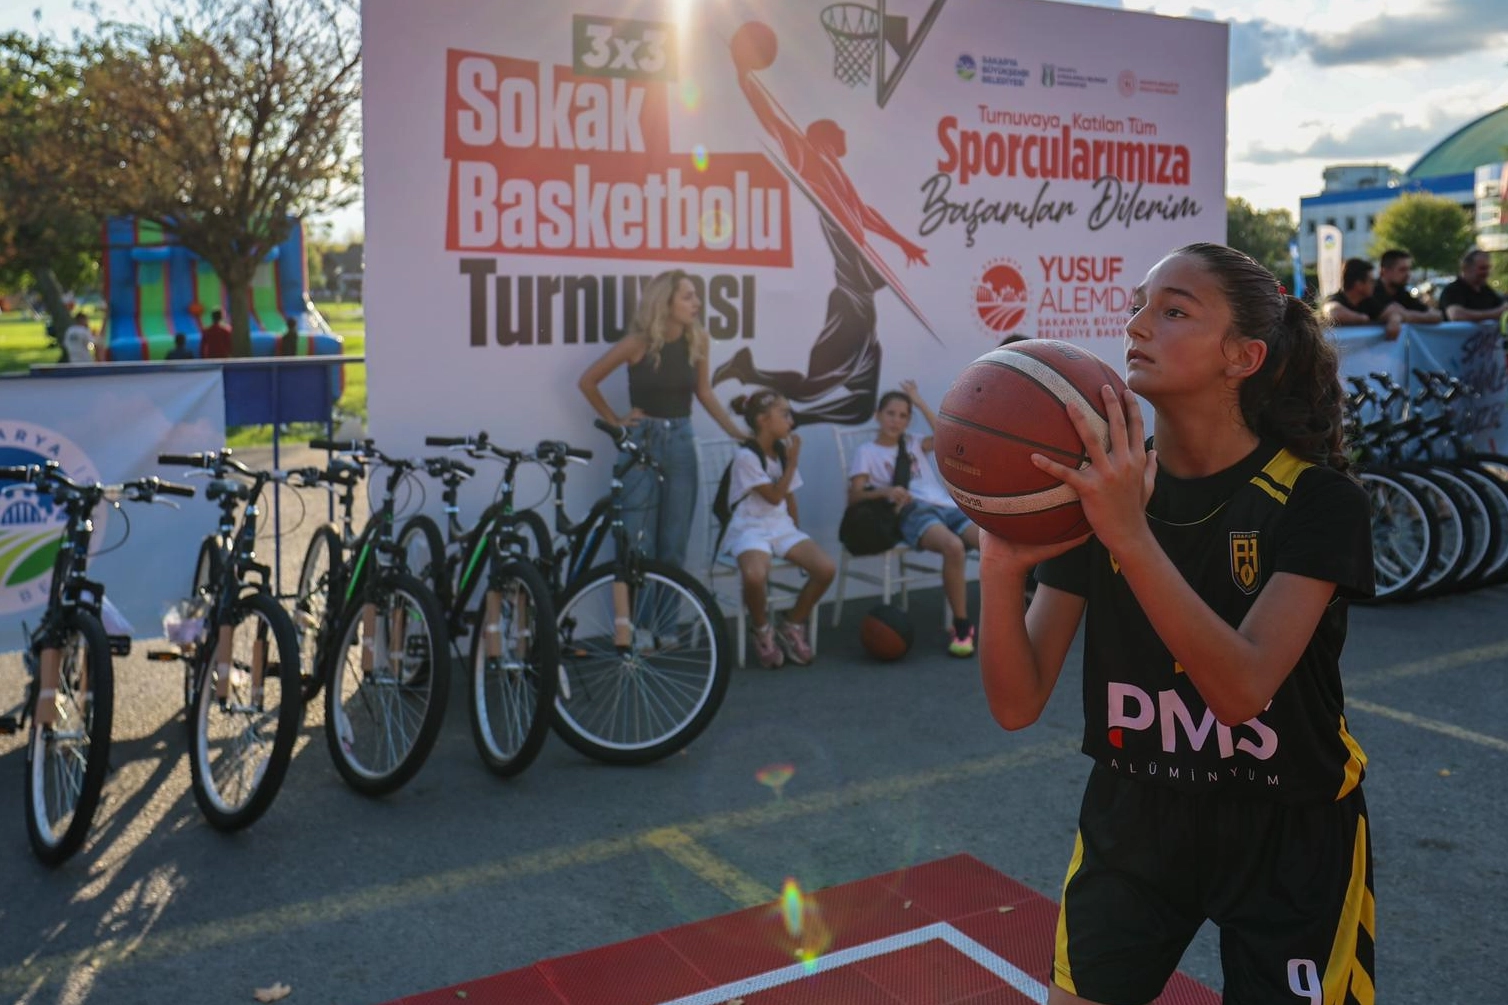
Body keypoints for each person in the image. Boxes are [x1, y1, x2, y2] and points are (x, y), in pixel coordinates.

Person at [976, 242, 1375, 1004]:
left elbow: (1243, 688)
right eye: (1137, 305)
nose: (1136, 324)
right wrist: (999, 567)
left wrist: (1128, 532)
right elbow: (1016, 702)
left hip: (1287, 824)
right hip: (1139, 813)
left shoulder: (1318, 500)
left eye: (1174, 310)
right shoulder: (1104, 487)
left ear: (1243, 355)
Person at [712, 28, 929, 426]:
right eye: (840, 131)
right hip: (852, 299)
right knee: (817, 385)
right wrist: (744, 77)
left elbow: (865, 214)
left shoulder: (836, 172)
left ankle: (790, 415)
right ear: (826, 136)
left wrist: (904, 243)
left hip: (862, 301)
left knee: (862, 405)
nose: (846, 135)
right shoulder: (809, 157)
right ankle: (751, 374)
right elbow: (774, 120)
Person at [579, 269, 746, 569]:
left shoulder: (698, 340)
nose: (696, 303)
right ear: (665, 303)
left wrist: (738, 433)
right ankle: (638, 618)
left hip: (681, 441)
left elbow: (704, 393)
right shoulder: (637, 343)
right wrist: (615, 421)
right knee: (638, 543)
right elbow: (588, 381)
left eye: (696, 296)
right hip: (641, 442)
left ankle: (665, 619)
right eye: (687, 296)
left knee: (674, 544)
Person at [847, 380, 980, 656]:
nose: (896, 420)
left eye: (903, 415)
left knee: (990, 543)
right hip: (912, 511)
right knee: (953, 548)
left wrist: (918, 401)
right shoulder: (867, 452)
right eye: (890, 413)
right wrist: (885, 491)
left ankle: (1012, 614)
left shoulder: (914, 443)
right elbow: (855, 496)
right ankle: (962, 624)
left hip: (948, 506)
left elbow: (947, 436)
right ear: (878, 415)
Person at [720, 390, 835, 667]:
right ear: (763, 420)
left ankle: (792, 624)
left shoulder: (783, 452)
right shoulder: (746, 456)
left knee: (825, 568)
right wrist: (794, 461)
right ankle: (761, 629)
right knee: (755, 575)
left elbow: (789, 497)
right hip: (750, 528)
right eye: (784, 414)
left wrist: (797, 536)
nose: (791, 421)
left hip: (780, 526)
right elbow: (773, 495)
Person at [1320, 257, 1402, 339]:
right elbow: (1332, 312)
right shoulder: (1335, 298)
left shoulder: (1368, 302)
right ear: (1359, 284)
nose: (1375, 284)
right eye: (1371, 281)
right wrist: (1361, 318)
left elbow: (1392, 312)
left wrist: (1394, 320)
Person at [1365, 248, 1441, 325]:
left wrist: (1405, 316)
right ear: (1385, 271)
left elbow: (1436, 315)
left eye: (1409, 269)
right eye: (1402, 270)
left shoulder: (1402, 294)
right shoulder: (1370, 293)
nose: (1408, 274)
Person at [1436, 247, 1508, 326]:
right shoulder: (1452, 290)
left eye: (1488, 268)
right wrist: (1495, 313)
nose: (1487, 272)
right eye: (1482, 268)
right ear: (1466, 268)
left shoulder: (1485, 290)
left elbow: (1502, 306)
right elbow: (1456, 315)